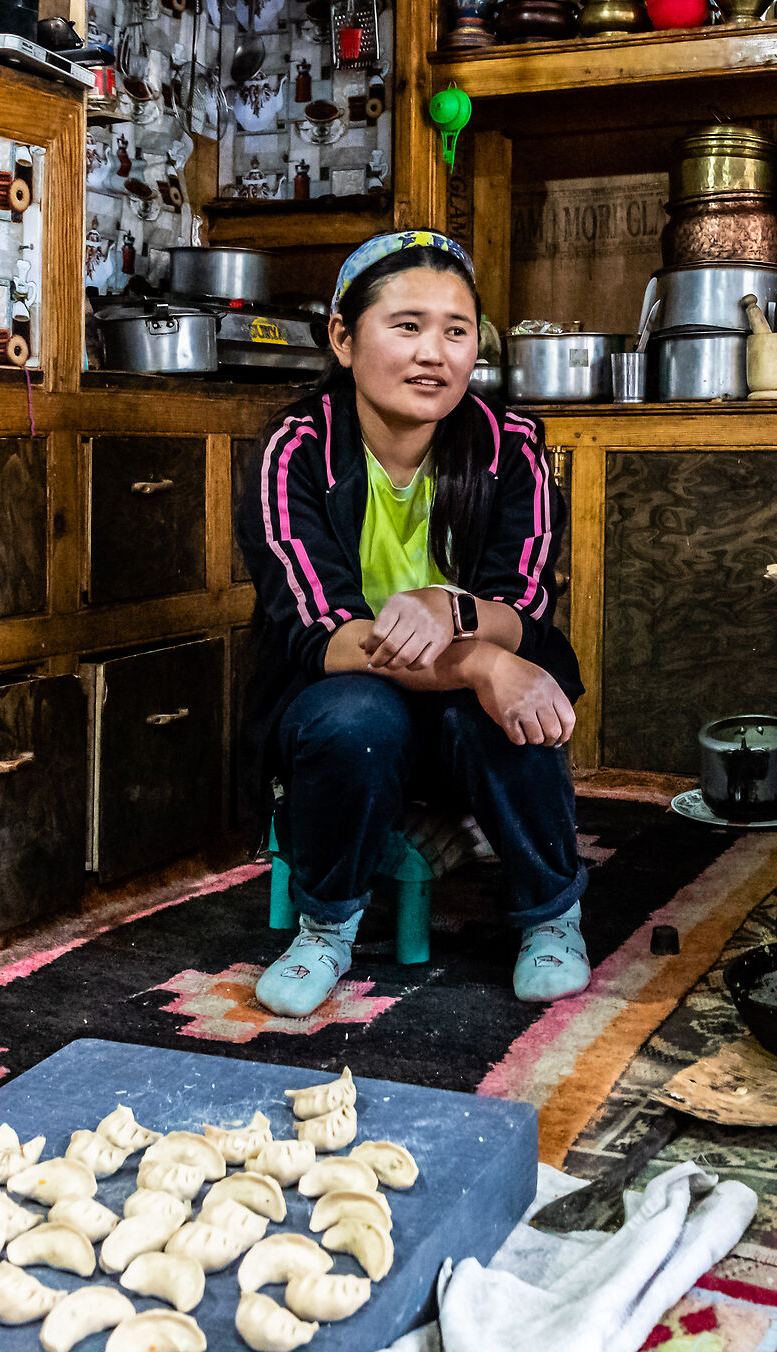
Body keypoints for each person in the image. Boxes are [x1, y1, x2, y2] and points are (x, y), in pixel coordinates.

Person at [236, 230, 587, 1018]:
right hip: (347, 692)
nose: (435, 353)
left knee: (506, 707)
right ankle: (328, 925)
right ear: (342, 336)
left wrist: (456, 614)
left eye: (456, 331)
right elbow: (319, 636)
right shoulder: (295, 454)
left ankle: (551, 913)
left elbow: (521, 607)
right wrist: (478, 662)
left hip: (464, 710)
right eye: (406, 326)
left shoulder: (508, 447)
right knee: (357, 716)